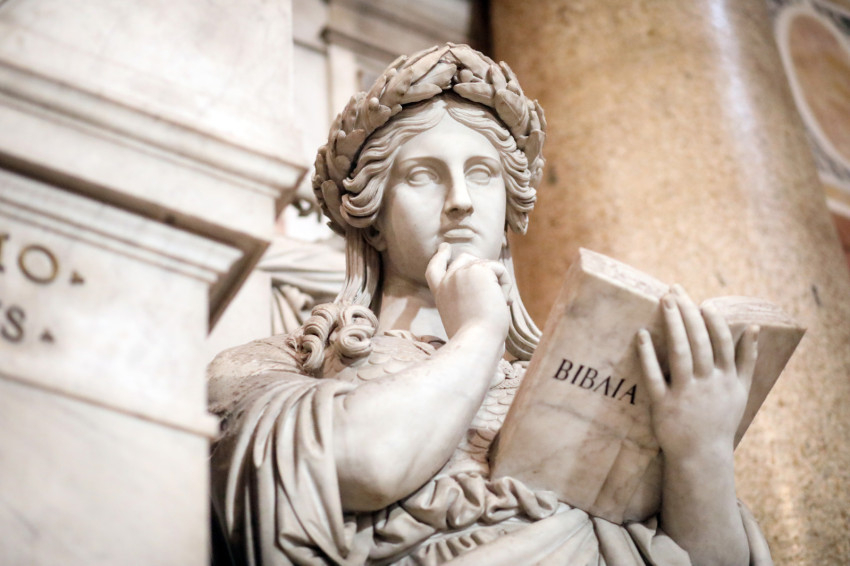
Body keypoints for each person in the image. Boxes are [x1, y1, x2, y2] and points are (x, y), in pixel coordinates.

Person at [208, 44, 772, 565]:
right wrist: (479, 333)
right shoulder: (274, 365)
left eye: (481, 174)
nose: (460, 201)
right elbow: (364, 465)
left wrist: (701, 451)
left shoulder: (571, 388)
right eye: (423, 175)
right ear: (372, 217)